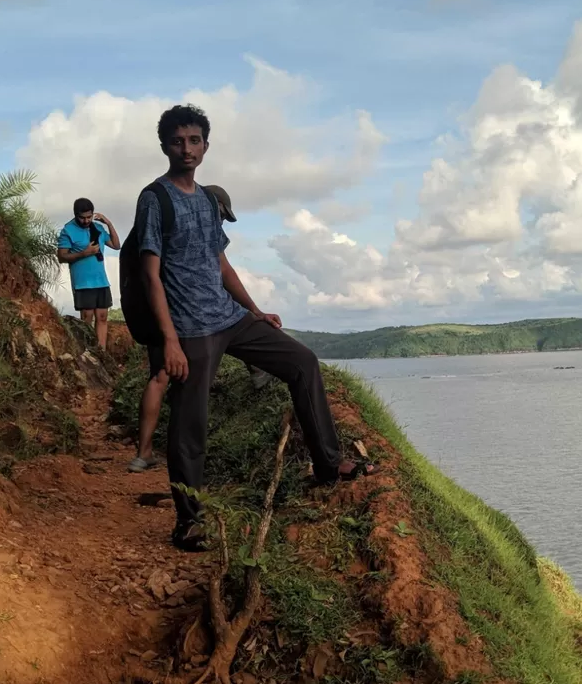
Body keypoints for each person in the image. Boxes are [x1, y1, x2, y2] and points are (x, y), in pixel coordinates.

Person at [136, 104, 373, 550]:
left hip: (230, 317)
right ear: (164, 145)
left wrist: (256, 310)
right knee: (191, 424)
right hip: (189, 328)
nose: (186, 149)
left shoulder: (208, 199)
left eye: (194, 140)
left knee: (302, 361)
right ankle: (189, 521)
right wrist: (169, 340)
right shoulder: (155, 198)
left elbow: (219, 261)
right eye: (177, 141)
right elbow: (151, 274)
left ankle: (329, 464)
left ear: (206, 145)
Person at [128, 182, 268, 474]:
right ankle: (256, 370)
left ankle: (143, 454)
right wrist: (253, 311)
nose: (218, 223)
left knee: (159, 377)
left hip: (148, 310)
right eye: (219, 215)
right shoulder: (183, 223)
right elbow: (218, 284)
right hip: (173, 313)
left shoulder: (151, 224)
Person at [57, 198, 121, 350]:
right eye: (82, 217)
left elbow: (116, 245)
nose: (86, 221)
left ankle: (101, 352)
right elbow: (61, 256)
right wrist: (84, 253)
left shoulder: (98, 228)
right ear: (76, 215)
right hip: (82, 282)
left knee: (102, 316)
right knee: (87, 318)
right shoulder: (68, 230)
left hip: (101, 281)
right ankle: (86, 352)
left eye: (89, 217)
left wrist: (109, 223)